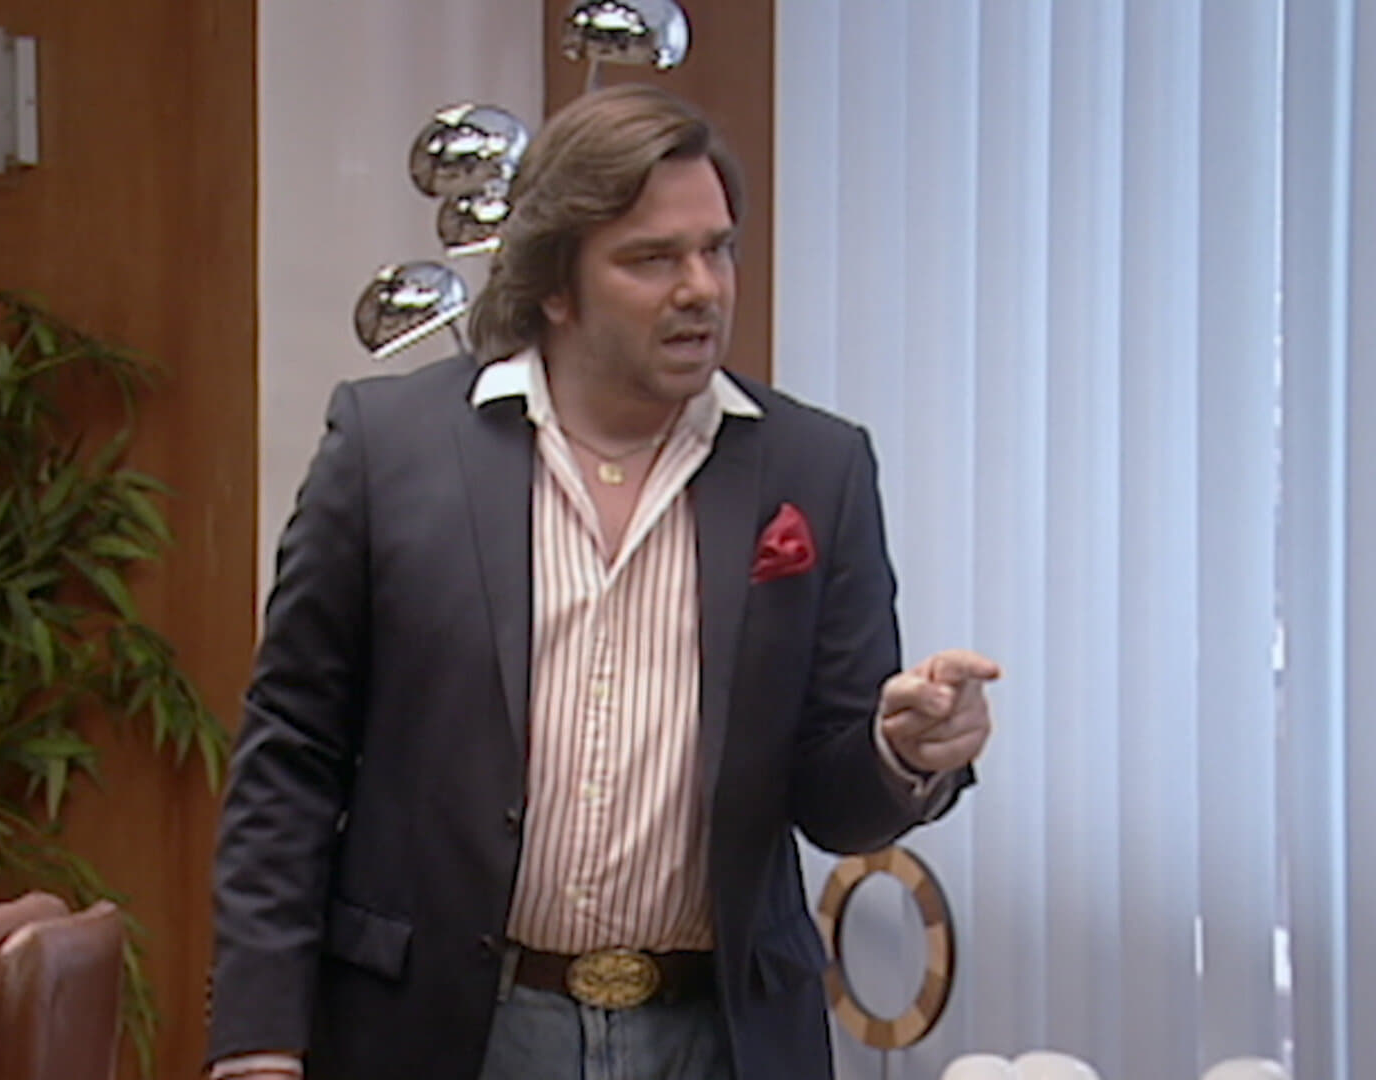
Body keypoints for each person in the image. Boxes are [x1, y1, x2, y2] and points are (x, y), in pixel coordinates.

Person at [206, 84, 998, 1080]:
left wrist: (902, 753)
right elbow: (292, 755)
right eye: (653, 259)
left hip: (716, 1036)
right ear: (556, 285)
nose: (702, 289)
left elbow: (833, 800)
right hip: (447, 1029)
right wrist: (258, 1042)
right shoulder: (389, 450)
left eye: (717, 250)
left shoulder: (815, 467)